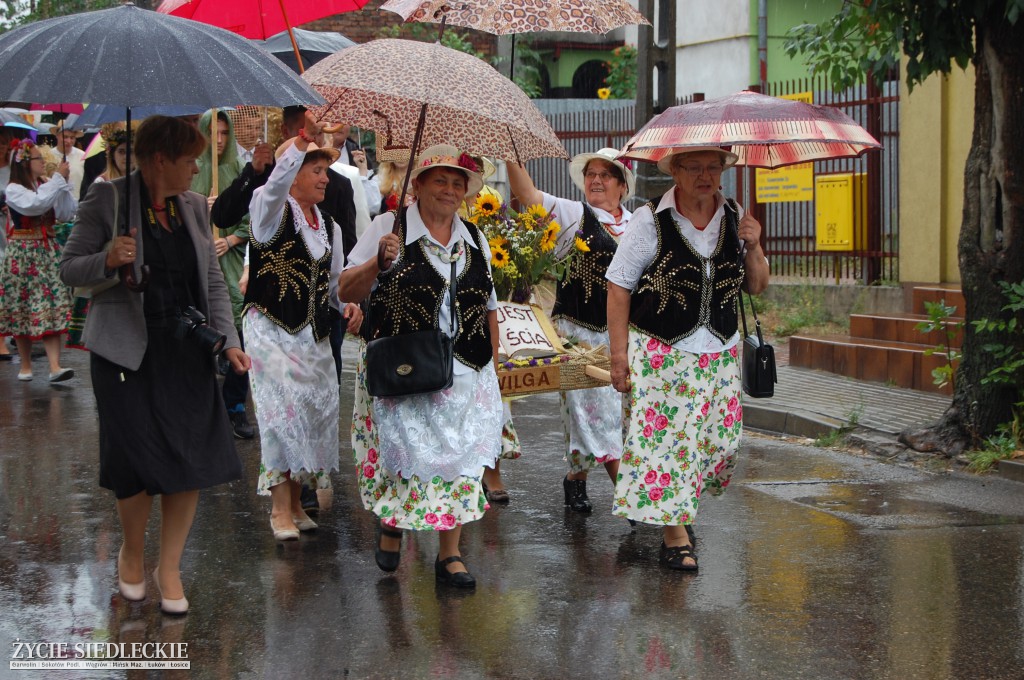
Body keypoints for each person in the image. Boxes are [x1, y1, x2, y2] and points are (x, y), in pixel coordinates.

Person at [58, 115, 249, 613]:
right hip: (125, 352)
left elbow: (210, 280)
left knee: (189, 460)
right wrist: (108, 259)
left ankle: (169, 568)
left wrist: (227, 340)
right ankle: (132, 552)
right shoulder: (109, 199)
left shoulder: (190, 206)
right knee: (135, 462)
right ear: (160, 159)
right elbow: (69, 270)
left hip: (185, 350)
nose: (196, 170)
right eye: (190, 161)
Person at [340, 144, 503, 588]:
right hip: (405, 369)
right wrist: (379, 262)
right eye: (440, 181)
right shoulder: (386, 229)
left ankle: (449, 555)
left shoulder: (475, 238)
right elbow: (345, 288)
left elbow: (488, 303)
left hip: (468, 366)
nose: (450, 190)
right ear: (418, 185)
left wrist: (496, 366)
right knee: (408, 459)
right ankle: (393, 522)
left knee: (465, 462)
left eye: (458, 183)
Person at [606, 146, 770, 571]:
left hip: (719, 352)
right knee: (669, 448)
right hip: (663, 352)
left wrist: (753, 245)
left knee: (720, 444)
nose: (704, 175)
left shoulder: (735, 216)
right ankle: (674, 536)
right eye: (694, 167)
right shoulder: (650, 221)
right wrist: (618, 358)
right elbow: (619, 288)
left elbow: (756, 286)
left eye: (713, 167)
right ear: (675, 172)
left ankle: (666, 503)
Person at [244, 110, 362, 541]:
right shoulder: (268, 210)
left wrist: (347, 306)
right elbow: (273, 185)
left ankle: (296, 501)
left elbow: (332, 286)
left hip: (311, 332)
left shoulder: (328, 224)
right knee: (280, 412)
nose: (325, 178)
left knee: (311, 412)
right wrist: (300, 142)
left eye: (325, 171)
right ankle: (279, 508)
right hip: (270, 327)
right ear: (292, 173)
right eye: (316, 170)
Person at [507, 148, 635, 513]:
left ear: (623, 185)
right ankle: (637, 501)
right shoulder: (574, 214)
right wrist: (511, 153)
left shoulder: (640, 222)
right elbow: (529, 197)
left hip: (628, 337)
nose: (595, 180)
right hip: (581, 335)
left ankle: (575, 479)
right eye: (590, 174)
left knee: (621, 417)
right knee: (599, 415)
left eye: (605, 175)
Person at [191, 109, 254, 440]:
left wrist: (229, 238)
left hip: (231, 262)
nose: (219, 140)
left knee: (239, 332)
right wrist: (201, 206)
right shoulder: (189, 171)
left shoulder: (237, 171)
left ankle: (235, 406)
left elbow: (251, 219)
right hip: (198, 263)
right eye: (213, 133)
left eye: (224, 134)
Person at [0, 138, 76, 382]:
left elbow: (65, 213)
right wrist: (57, 181)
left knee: (51, 303)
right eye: (38, 158)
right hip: (22, 253)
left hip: (46, 250)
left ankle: (55, 366)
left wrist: (63, 185)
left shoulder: (46, 183)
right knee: (22, 305)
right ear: (24, 162)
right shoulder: (13, 188)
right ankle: (25, 364)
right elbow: (35, 205)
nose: (43, 162)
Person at [48, 116, 86, 199]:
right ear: (57, 136)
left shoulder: (83, 156)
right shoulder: (49, 156)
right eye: (65, 137)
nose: (69, 141)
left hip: (78, 203)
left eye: (72, 138)